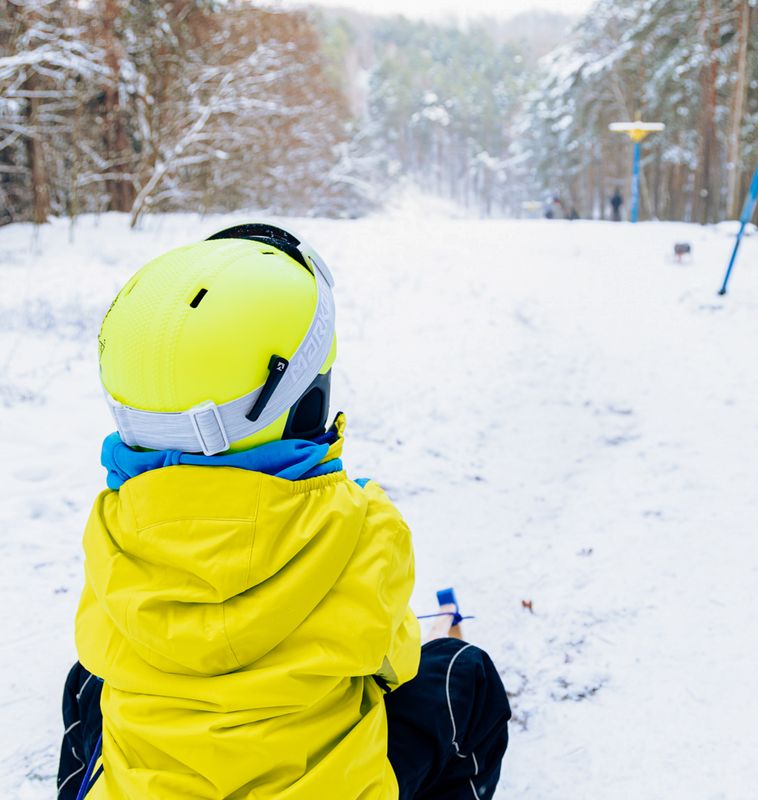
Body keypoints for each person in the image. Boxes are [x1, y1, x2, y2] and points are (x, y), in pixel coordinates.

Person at [57, 223, 511, 800]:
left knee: (87, 683)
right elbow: (395, 664)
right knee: (461, 676)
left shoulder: (113, 530)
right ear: (305, 404)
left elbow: (102, 644)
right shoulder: (363, 523)